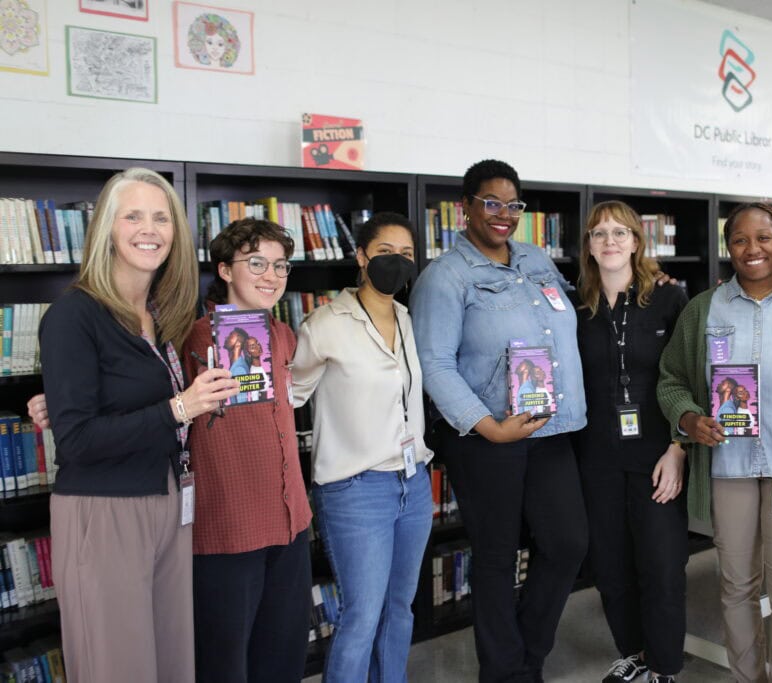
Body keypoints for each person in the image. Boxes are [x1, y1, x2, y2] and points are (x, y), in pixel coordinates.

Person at [36, 167, 238, 683]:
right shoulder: (72, 316)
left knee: (171, 662)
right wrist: (180, 408)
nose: (149, 229)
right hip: (103, 511)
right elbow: (76, 441)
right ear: (106, 226)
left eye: (161, 217)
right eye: (133, 216)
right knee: (117, 667)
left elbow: (118, 397)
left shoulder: (161, 314)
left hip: (168, 501)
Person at [410, 159, 588, 683]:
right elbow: (435, 365)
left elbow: (566, 321)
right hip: (488, 439)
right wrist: (487, 426)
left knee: (567, 543)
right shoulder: (444, 277)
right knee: (495, 557)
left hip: (551, 430)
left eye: (513, 205)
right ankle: (506, 673)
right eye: (491, 202)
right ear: (465, 207)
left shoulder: (537, 259)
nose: (503, 214)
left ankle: (526, 655)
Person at [658, 202, 772, 683]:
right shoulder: (703, 309)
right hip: (729, 470)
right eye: (740, 240)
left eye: (763, 237)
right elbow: (671, 379)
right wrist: (689, 417)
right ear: (728, 248)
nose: (752, 249)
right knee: (736, 587)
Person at [292, 211, 433, 683]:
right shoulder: (326, 323)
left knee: (400, 609)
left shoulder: (407, 317)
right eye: (385, 253)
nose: (397, 263)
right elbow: (290, 393)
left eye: (407, 255)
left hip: (413, 484)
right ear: (361, 257)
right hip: (356, 490)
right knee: (362, 616)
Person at [181, 217, 313, 683]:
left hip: (290, 522)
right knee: (225, 662)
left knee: (284, 654)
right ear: (224, 270)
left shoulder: (283, 336)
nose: (271, 276)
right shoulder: (194, 337)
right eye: (256, 262)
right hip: (229, 528)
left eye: (280, 266)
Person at [573, 200, 689, 683]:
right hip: (596, 456)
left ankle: (663, 667)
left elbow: (688, 377)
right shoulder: (574, 305)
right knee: (612, 566)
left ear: (637, 242)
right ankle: (634, 654)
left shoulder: (669, 297)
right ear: (589, 246)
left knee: (661, 566)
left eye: (620, 232)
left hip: (657, 455)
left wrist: (679, 449)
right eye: (599, 233)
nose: (610, 241)